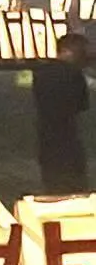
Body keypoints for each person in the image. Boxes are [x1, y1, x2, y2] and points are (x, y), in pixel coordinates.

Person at [33, 32, 90, 193]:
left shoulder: (40, 73)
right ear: (70, 51)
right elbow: (82, 106)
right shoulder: (74, 74)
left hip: (46, 140)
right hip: (69, 139)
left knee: (53, 186)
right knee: (75, 188)